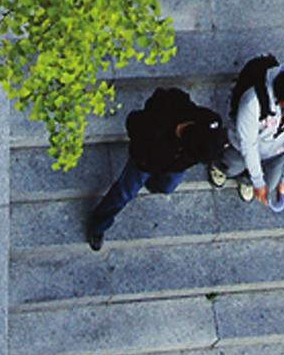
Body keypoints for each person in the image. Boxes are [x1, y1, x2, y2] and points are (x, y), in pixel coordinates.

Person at [85, 87, 226, 251]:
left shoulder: (209, 123)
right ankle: (98, 225)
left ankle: (155, 184)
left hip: (177, 164)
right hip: (147, 161)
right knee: (124, 193)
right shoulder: (156, 127)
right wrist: (141, 154)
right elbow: (134, 121)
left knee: (167, 186)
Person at [208, 54, 284, 206]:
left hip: (278, 148)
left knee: (271, 183)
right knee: (231, 166)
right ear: (279, 98)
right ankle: (220, 166)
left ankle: (247, 180)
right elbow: (248, 144)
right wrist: (258, 182)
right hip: (242, 144)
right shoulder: (253, 103)